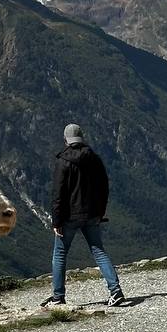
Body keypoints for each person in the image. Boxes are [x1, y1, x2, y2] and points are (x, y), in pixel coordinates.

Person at [43, 123, 125, 308]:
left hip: (69, 217)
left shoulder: (62, 162)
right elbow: (104, 187)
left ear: (66, 140)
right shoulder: (94, 159)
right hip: (92, 214)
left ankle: (58, 297)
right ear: (82, 138)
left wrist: (57, 221)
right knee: (99, 251)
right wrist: (100, 211)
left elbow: (58, 195)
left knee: (60, 254)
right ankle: (116, 291)